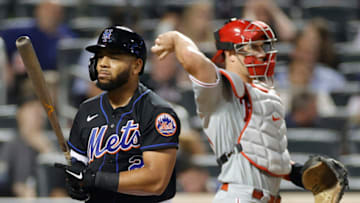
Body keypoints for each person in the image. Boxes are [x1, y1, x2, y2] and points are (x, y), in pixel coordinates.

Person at [152, 18, 304, 202]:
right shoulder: (219, 89)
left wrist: (297, 172)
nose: (262, 54)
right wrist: (176, 38)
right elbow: (195, 62)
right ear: (231, 53)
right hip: (239, 195)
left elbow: (261, 150)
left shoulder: (265, 96)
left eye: (263, 47)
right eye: (254, 47)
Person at [55, 26, 181, 203]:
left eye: (113, 57)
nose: (103, 64)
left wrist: (94, 179)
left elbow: (157, 181)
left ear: (137, 66)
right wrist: (75, 183)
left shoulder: (157, 112)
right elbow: (79, 166)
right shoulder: (86, 111)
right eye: (100, 57)